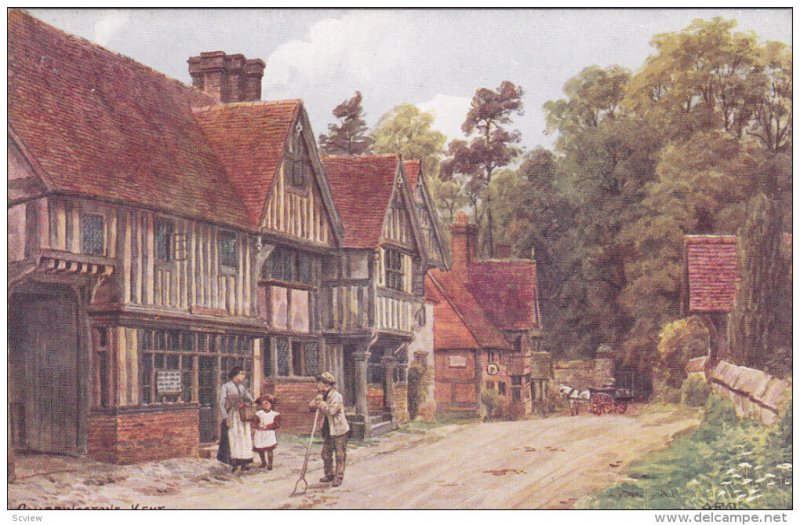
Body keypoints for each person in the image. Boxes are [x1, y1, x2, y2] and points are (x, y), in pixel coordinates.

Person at [308, 372, 350, 487]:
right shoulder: (322, 394)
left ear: (327, 384)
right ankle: (329, 474)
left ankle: (339, 477)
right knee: (325, 454)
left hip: (339, 430)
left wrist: (320, 403)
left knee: (340, 455)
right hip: (328, 429)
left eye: (320, 383)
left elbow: (330, 411)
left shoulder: (336, 396)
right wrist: (315, 402)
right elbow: (311, 406)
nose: (317, 385)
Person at [216, 367, 254, 473]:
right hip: (232, 414)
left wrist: (250, 401)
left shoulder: (242, 387)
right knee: (234, 437)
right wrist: (225, 417)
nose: (243, 376)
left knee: (244, 437)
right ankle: (234, 463)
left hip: (242, 415)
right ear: (235, 375)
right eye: (241, 374)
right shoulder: (226, 386)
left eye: (244, 374)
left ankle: (245, 462)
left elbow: (250, 398)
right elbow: (221, 403)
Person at [252, 394, 280, 470]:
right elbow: (254, 423)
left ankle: (270, 464)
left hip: (269, 434)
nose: (265, 405)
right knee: (260, 449)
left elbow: (277, 425)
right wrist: (258, 425)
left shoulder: (274, 414)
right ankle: (263, 462)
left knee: (269, 449)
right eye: (263, 404)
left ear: (271, 404)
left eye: (267, 403)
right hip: (260, 433)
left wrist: (267, 426)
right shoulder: (258, 414)